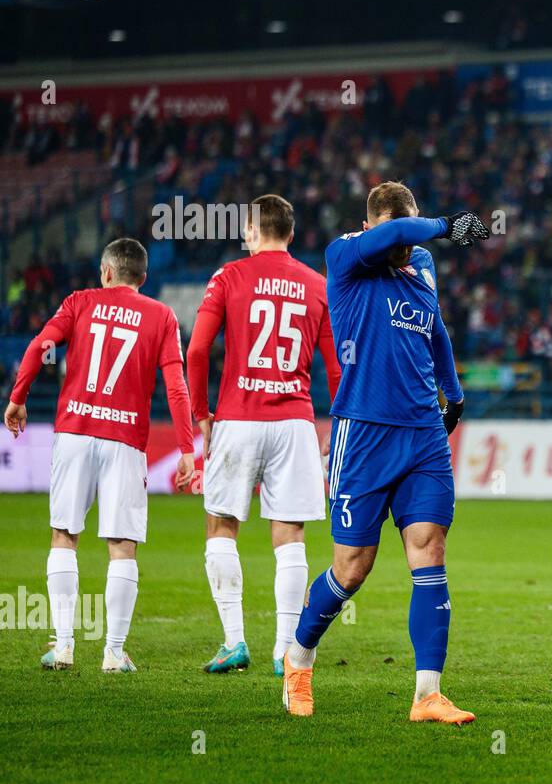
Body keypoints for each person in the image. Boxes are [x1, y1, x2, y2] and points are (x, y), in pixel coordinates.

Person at [280, 182, 488, 723]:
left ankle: (427, 695)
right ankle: (299, 657)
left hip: (422, 433)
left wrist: (455, 393)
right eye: (399, 231)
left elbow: (435, 326)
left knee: (430, 549)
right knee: (352, 568)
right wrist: (449, 223)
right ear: (372, 226)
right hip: (364, 434)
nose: (406, 244)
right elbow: (399, 231)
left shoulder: (418, 263)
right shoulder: (345, 256)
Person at [5, 238, 195, 673]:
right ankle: (113, 652)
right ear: (143, 279)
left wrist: (18, 398)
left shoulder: (80, 301)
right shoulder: (161, 315)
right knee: (122, 545)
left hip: (75, 431)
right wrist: (186, 448)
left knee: (63, 535)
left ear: (106, 272)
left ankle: (65, 646)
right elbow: (176, 386)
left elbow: (37, 346)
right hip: (125, 440)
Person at [186, 194, 342, 676]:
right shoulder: (318, 284)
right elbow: (337, 367)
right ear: (291, 235)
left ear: (251, 232)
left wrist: (201, 416)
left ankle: (234, 642)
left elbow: (195, 351)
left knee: (221, 525)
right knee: (290, 533)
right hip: (295, 421)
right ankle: (283, 651)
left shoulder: (229, 277)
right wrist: (336, 426)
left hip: (238, 417)